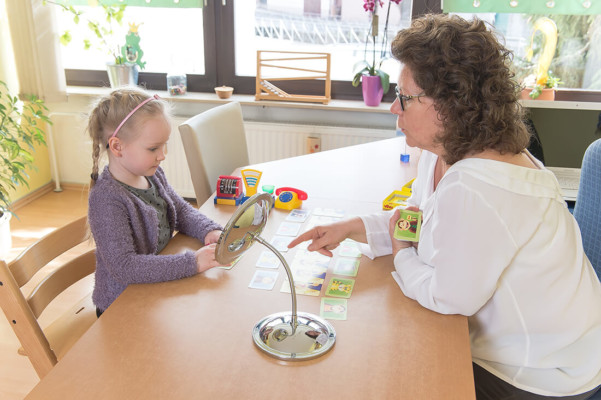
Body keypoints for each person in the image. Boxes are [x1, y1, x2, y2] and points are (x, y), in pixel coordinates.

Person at [289, 14, 601, 400]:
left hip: (544, 373)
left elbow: (449, 297)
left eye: (404, 97)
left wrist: (401, 253)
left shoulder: (479, 187)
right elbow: (417, 219)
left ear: (451, 105)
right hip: (545, 345)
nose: (393, 108)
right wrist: (353, 227)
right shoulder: (444, 153)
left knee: (383, 373)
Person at [87, 88, 225, 316]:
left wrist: (208, 230)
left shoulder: (152, 174)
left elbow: (180, 210)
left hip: (154, 285)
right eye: (153, 148)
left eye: (164, 145)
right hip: (122, 305)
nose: (162, 155)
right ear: (117, 146)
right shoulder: (107, 199)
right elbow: (125, 268)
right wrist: (192, 263)